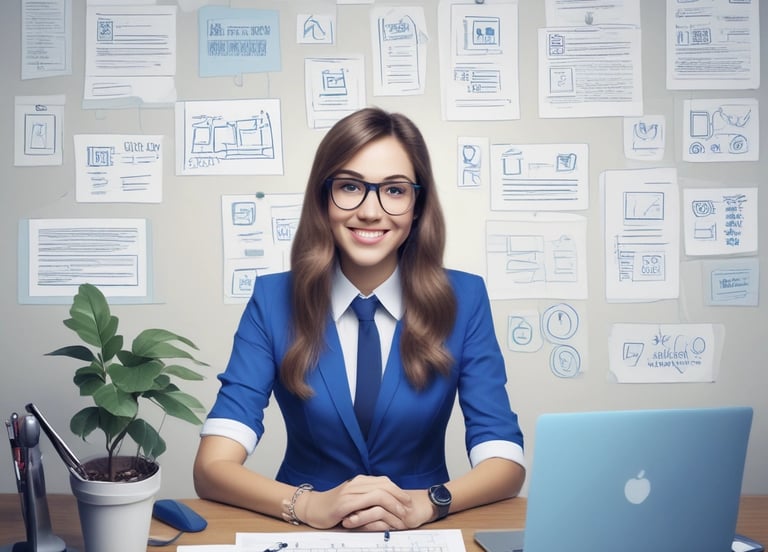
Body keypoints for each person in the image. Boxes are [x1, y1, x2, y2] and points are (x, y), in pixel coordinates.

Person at [193, 107, 525, 531]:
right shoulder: (272, 300)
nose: (370, 211)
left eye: (395, 190)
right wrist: (309, 506)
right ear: (322, 197)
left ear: (417, 205)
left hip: (423, 532)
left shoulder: (465, 298)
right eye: (350, 187)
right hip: (300, 532)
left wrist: (428, 504)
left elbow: (505, 461)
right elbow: (211, 466)